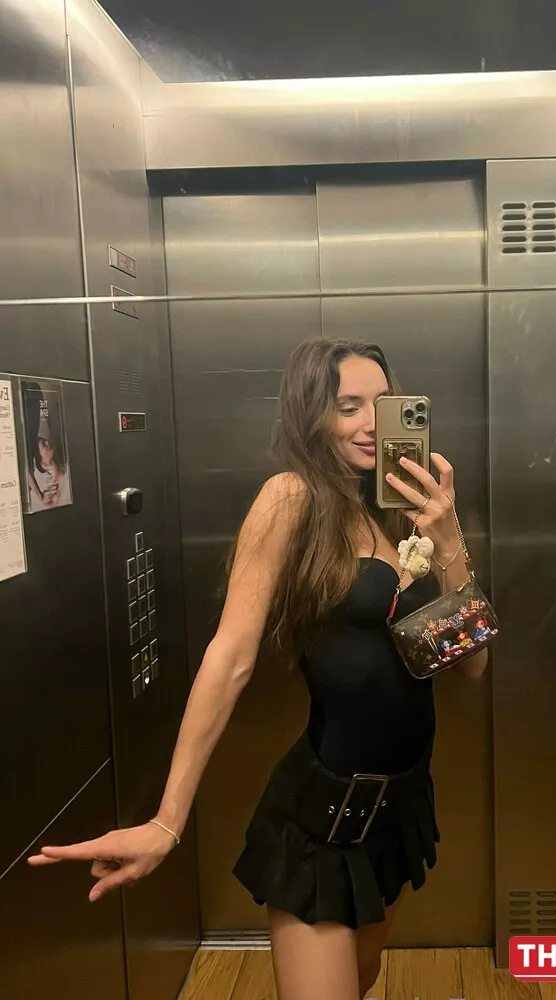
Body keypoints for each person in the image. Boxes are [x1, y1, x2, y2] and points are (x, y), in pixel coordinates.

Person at [28, 338, 490, 1000]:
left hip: (401, 805)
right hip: (324, 821)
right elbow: (230, 656)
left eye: (383, 404)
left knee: (362, 979)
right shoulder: (291, 498)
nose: (369, 423)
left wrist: (448, 540)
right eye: (348, 406)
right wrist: (167, 819)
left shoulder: (395, 510)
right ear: (311, 413)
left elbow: (471, 665)